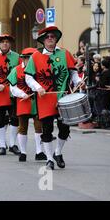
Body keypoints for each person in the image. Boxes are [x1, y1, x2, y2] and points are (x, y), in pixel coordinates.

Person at [25, 26, 83, 170]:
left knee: (65, 129)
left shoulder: (64, 53)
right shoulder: (36, 56)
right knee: (47, 129)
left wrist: (78, 81)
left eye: (53, 36)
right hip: (44, 99)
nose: (50, 38)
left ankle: (57, 153)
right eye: (47, 37)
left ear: (56, 39)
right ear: (43, 40)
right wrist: (38, 87)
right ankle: (49, 159)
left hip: (63, 98)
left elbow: (73, 73)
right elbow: (28, 77)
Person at [7, 48, 47, 162]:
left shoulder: (39, 69)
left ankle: (39, 152)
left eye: (30, 58)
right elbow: (12, 87)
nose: (28, 60)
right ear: (22, 59)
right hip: (23, 101)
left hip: (37, 101)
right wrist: (22, 94)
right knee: (22, 127)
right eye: (26, 58)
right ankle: (23, 152)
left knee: (39, 127)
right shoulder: (16, 70)